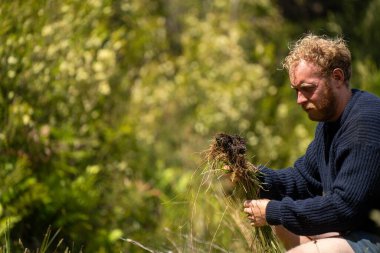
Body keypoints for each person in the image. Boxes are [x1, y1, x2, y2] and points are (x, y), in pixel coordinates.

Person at [243, 34, 380, 252]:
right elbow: (303, 181)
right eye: (296, 90)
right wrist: (252, 176)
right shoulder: (329, 124)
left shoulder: (365, 122)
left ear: (337, 77)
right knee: (280, 221)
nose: (299, 99)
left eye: (307, 88)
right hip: (357, 230)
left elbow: (345, 208)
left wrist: (273, 211)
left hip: (372, 234)